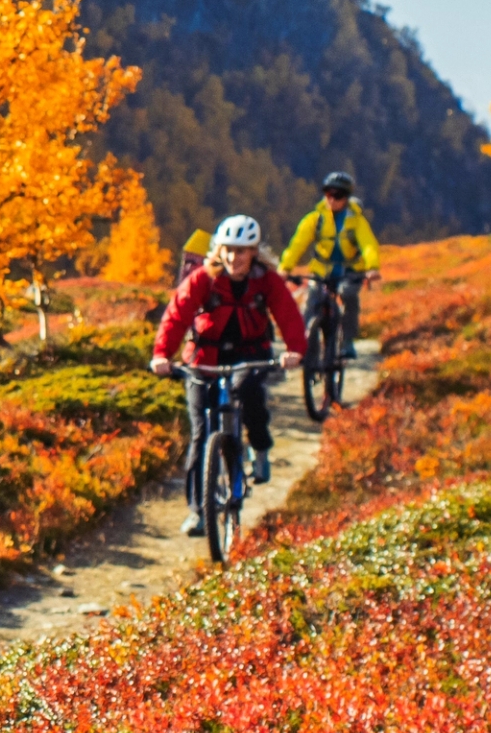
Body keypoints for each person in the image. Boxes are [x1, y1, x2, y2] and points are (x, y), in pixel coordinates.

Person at [149, 215, 305, 532]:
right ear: (219, 250)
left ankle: (259, 447)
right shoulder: (201, 279)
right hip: (205, 356)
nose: (235, 258)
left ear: (254, 253)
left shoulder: (267, 280)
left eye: (242, 251)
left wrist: (295, 350)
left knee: (248, 395)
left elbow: (288, 314)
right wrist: (162, 355)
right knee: (200, 434)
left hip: (250, 354)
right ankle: (198, 511)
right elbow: (176, 315)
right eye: (229, 250)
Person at [280, 172, 381, 339]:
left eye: (338, 195)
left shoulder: (357, 221)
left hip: (349, 272)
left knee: (348, 295)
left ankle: (347, 340)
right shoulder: (315, 219)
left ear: (347, 197)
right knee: (312, 303)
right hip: (322, 271)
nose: (332, 199)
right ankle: (304, 345)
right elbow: (297, 244)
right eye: (328, 194)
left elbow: (368, 244)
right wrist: (285, 267)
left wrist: (372, 268)